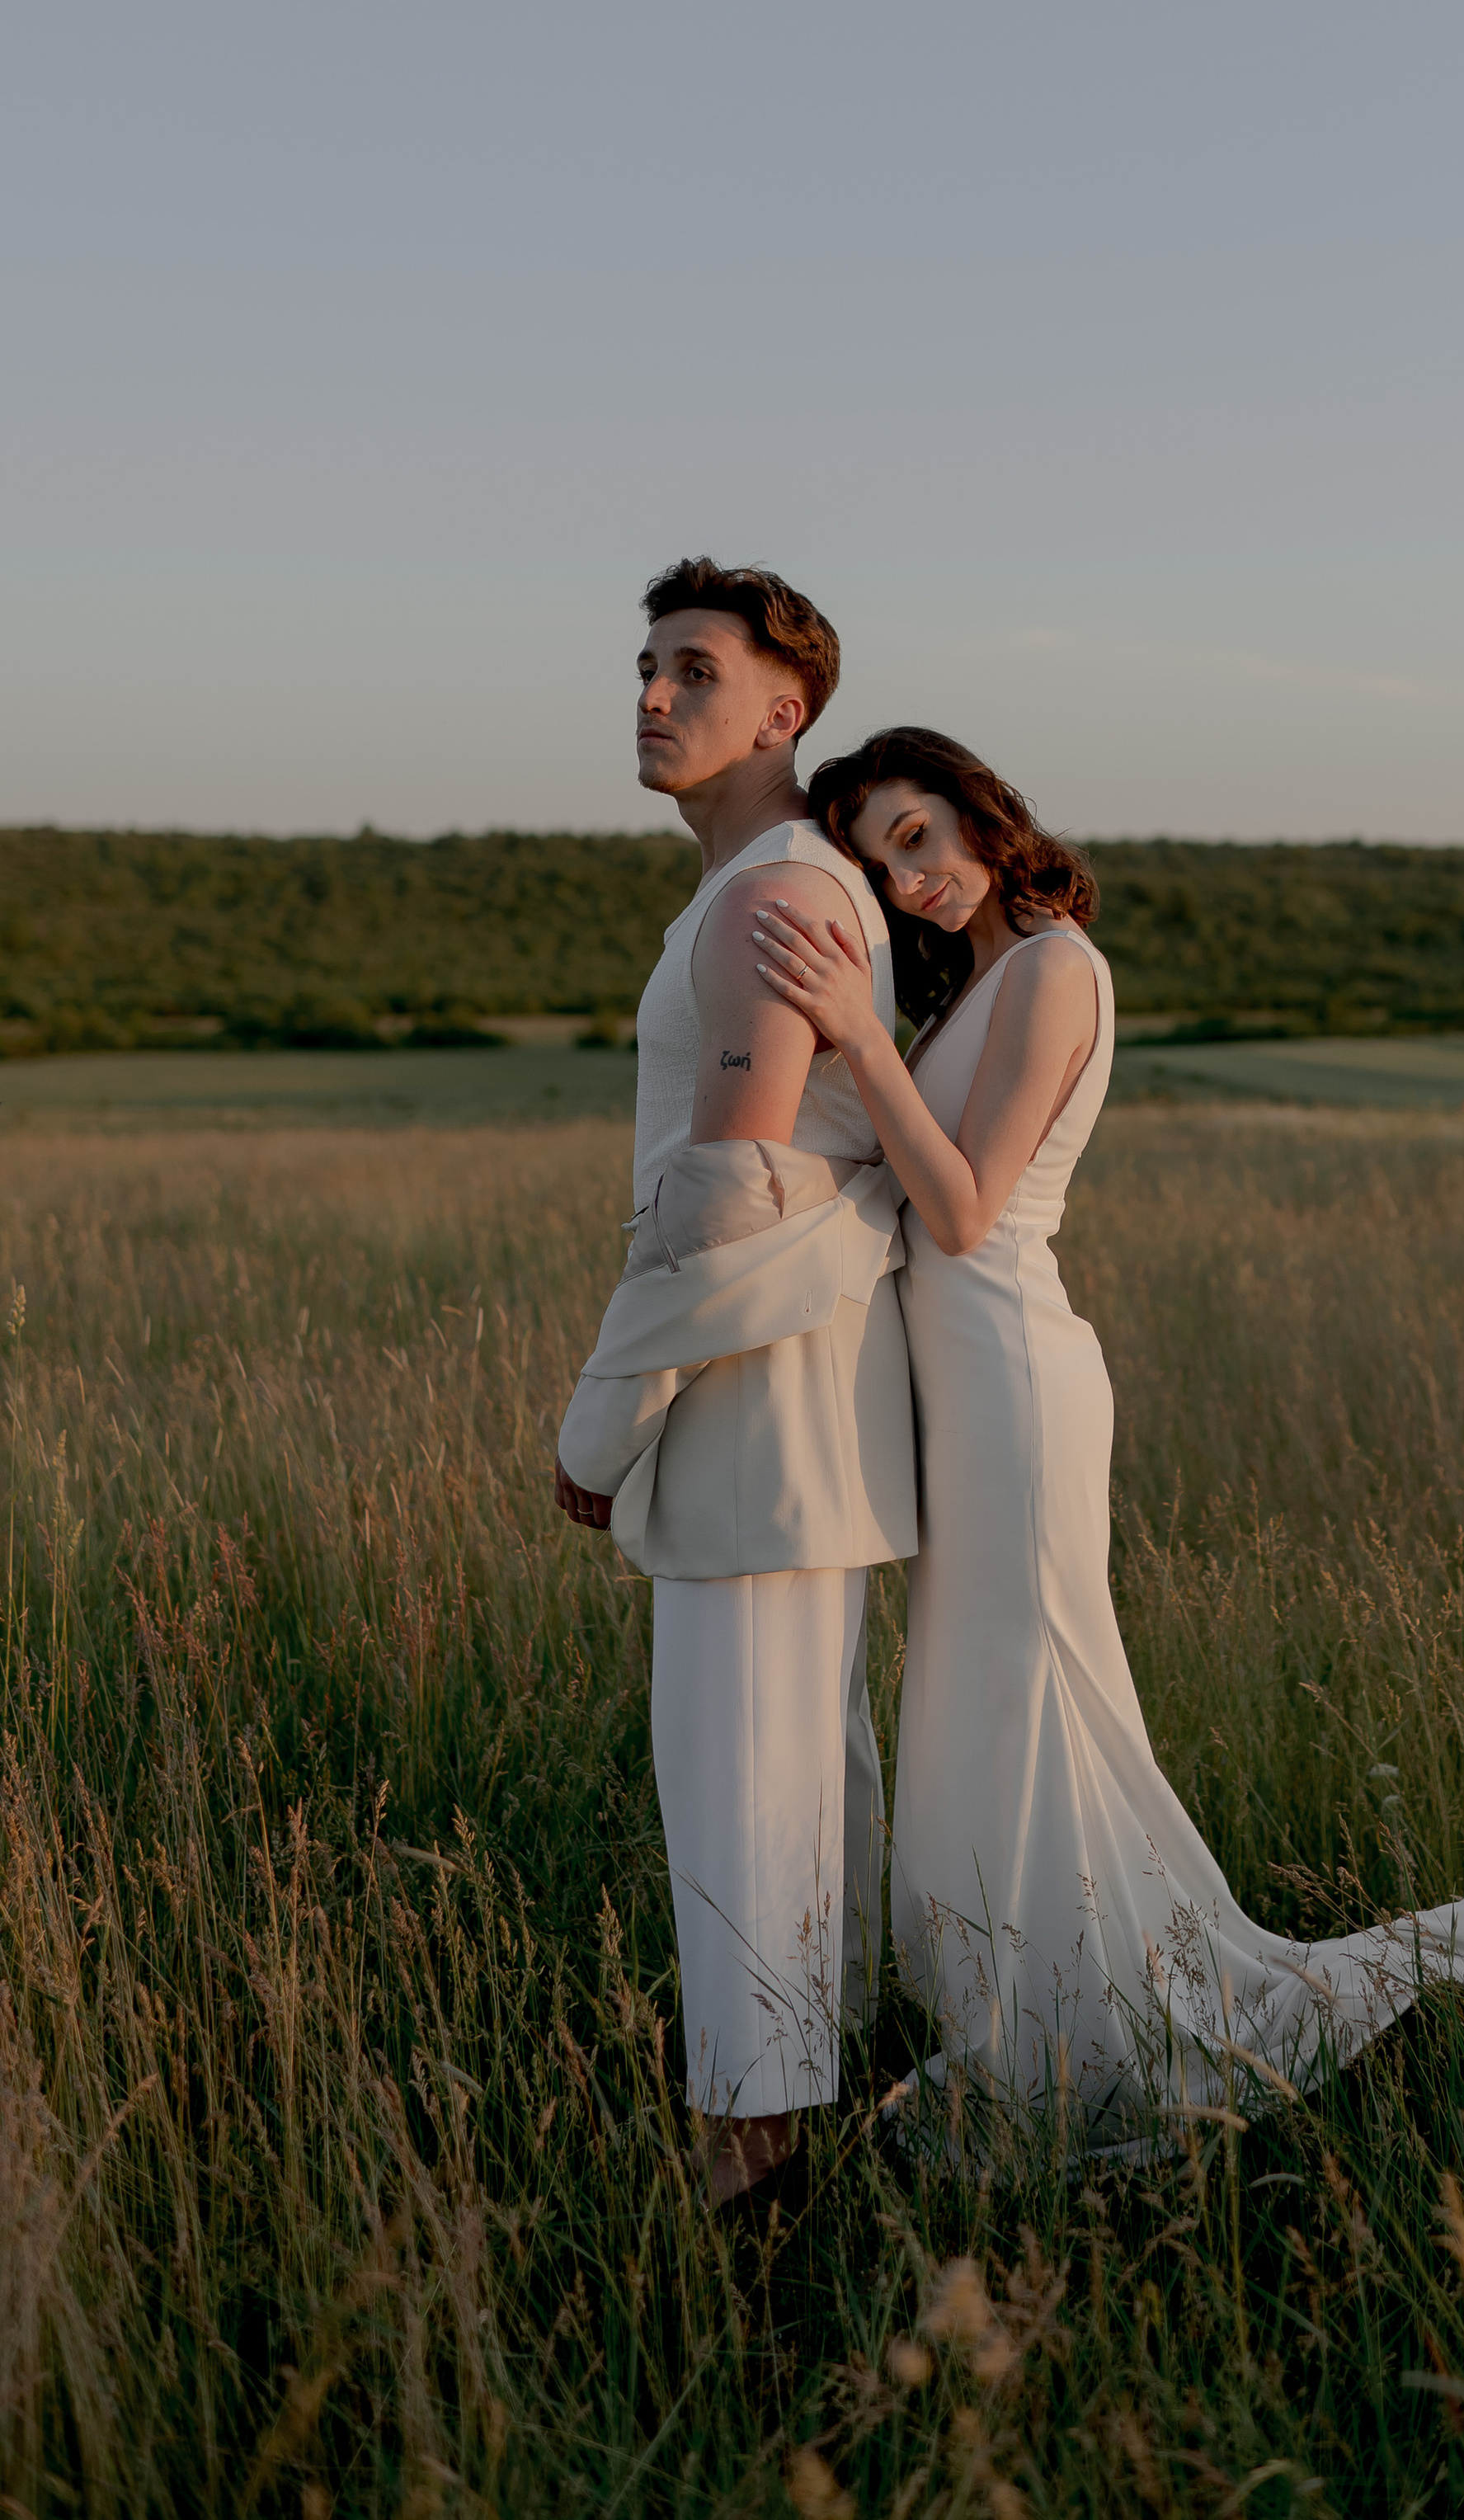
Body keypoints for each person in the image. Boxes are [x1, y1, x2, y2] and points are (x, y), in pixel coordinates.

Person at [751, 728, 1464, 2144]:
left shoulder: (1051, 969)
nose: (906, 878)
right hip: (962, 1388)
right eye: (877, 864)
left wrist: (861, 1038)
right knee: (987, 1710)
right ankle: (1045, 2013)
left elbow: (968, 1209)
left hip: (1013, 1385)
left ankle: (1084, 2031)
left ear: (977, 811)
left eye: (915, 835)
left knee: (1025, 1700)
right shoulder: (977, 985)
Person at [553, 563, 917, 2201]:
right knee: (793, 1785)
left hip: (759, 1411)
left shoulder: (778, 892)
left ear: (786, 710)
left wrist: (600, 1429)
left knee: (747, 1795)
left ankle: (752, 2188)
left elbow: (726, 1199)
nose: (650, 694)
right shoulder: (762, 885)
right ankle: (814, 2132)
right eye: (644, 665)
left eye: (692, 670)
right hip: (779, 1408)